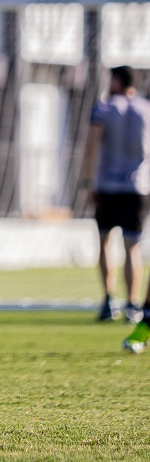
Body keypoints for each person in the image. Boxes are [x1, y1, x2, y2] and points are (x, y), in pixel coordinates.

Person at [80, 65, 150, 331]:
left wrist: (88, 181)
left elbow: (91, 145)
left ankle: (110, 300)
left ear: (118, 81)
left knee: (106, 241)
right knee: (133, 246)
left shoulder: (105, 108)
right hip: (139, 186)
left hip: (108, 185)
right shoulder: (146, 108)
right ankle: (133, 303)